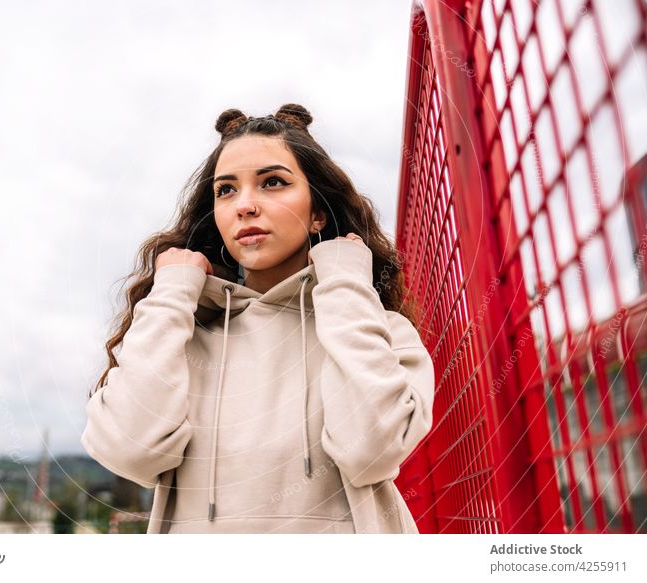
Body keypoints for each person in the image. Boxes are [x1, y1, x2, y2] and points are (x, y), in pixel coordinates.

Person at [80, 104, 436, 533]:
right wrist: (170, 296)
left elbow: (371, 450)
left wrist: (343, 280)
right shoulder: (185, 338)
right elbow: (127, 450)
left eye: (273, 183)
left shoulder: (380, 329)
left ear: (318, 211)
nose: (245, 205)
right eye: (226, 190)